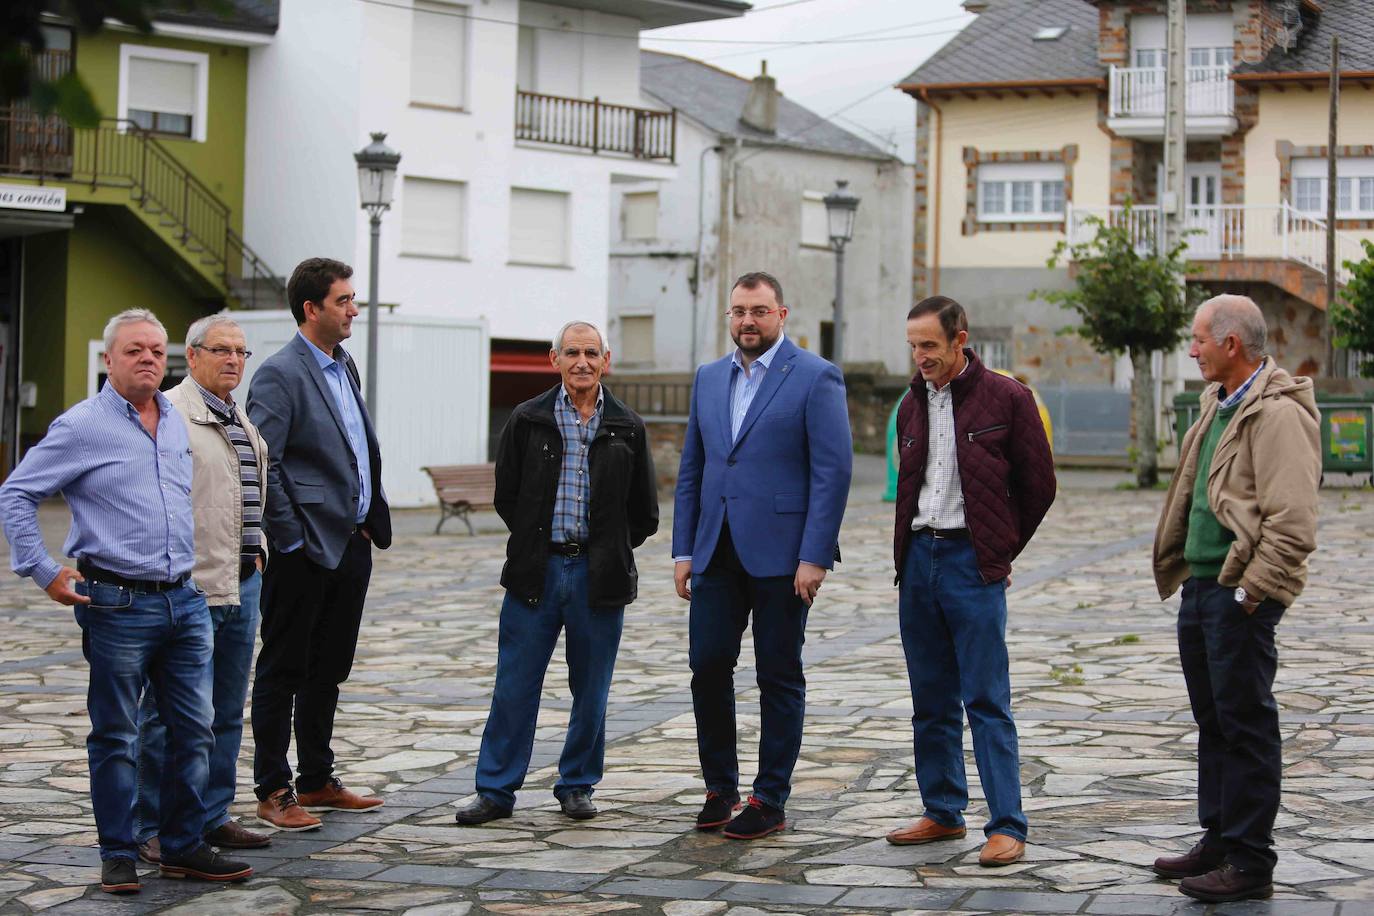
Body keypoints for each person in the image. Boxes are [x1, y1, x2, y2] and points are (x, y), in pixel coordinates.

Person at [0, 309, 252, 893]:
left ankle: (183, 844)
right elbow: (17, 493)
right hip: (116, 603)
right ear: (108, 360)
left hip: (184, 601)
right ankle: (118, 850)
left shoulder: (174, 419)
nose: (147, 359)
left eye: (156, 351)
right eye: (134, 350)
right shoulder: (82, 425)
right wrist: (43, 571)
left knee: (196, 730)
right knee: (116, 735)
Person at [1151, 294, 1320, 904]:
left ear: (1231, 344)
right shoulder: (1219, 403)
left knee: (1246, 725)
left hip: (1237, 593)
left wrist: (1253, 591)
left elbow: (1294, 521)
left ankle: (1251, 861)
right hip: (1202, 588)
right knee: (1213, 722)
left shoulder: (1276, 415)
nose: (1191, 350)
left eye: (1198, 339)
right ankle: (1219, 839)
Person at [454, 321, 659, 825]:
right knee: (514, 685)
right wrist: (534, 541)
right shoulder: (528, 419)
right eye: (573, 352)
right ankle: (496, 790)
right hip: (536, 572)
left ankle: (577, 785)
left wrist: (607, 547)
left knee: (592, 688)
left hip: (599, 575)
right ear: (555, 359)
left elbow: (645, 512)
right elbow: (508, 496)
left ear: (606, 360)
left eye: (592, 353)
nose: (582, 362)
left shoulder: (628, 426)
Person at [672, 271, 852, 840]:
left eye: (759, 310)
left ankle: (769, 797)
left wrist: (815, 554)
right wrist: (684, 550)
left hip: (784, 556)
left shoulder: (816, 377)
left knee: (777, 676)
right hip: (715, 549)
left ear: (782, 313)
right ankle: (719, 788)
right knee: (707, 667)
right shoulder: (707, 379)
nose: (747, 321)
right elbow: (693, 471)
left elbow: (833, 471)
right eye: (739, 311)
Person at [884, 295, 1055, 868]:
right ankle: (942, 810)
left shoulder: (1008, 397)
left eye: (929, 345)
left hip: (970, 563)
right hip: (917, 563)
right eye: (913, 345)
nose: (919, 356)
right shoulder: (911, 403)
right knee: (929, 698)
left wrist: (997, 550)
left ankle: (1007, 824)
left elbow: (1039, 487)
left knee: (986, 698)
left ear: (961, 338)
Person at [247, 258, 392, 831]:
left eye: (354, 299)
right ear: (312, 309)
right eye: (344, 301)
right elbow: (267, 462)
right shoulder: (279, 374)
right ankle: (273, 789)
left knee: (329, 667)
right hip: (304, 548)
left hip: (351, 542)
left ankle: (316, 779)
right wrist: (291, 537)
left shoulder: (342, 364)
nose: (354, 309)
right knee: (283, 667)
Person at [135, 315, 272, 864]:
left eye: (242, 351)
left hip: (242, 581)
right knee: (169, 715)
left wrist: (258, 548)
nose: (234, 360)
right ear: (191, 357)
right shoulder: (170, 414)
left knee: (224, 711)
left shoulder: (237, 414)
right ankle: (151, 823)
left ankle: (211, 815)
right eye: (222, 350)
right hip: (191, 586)